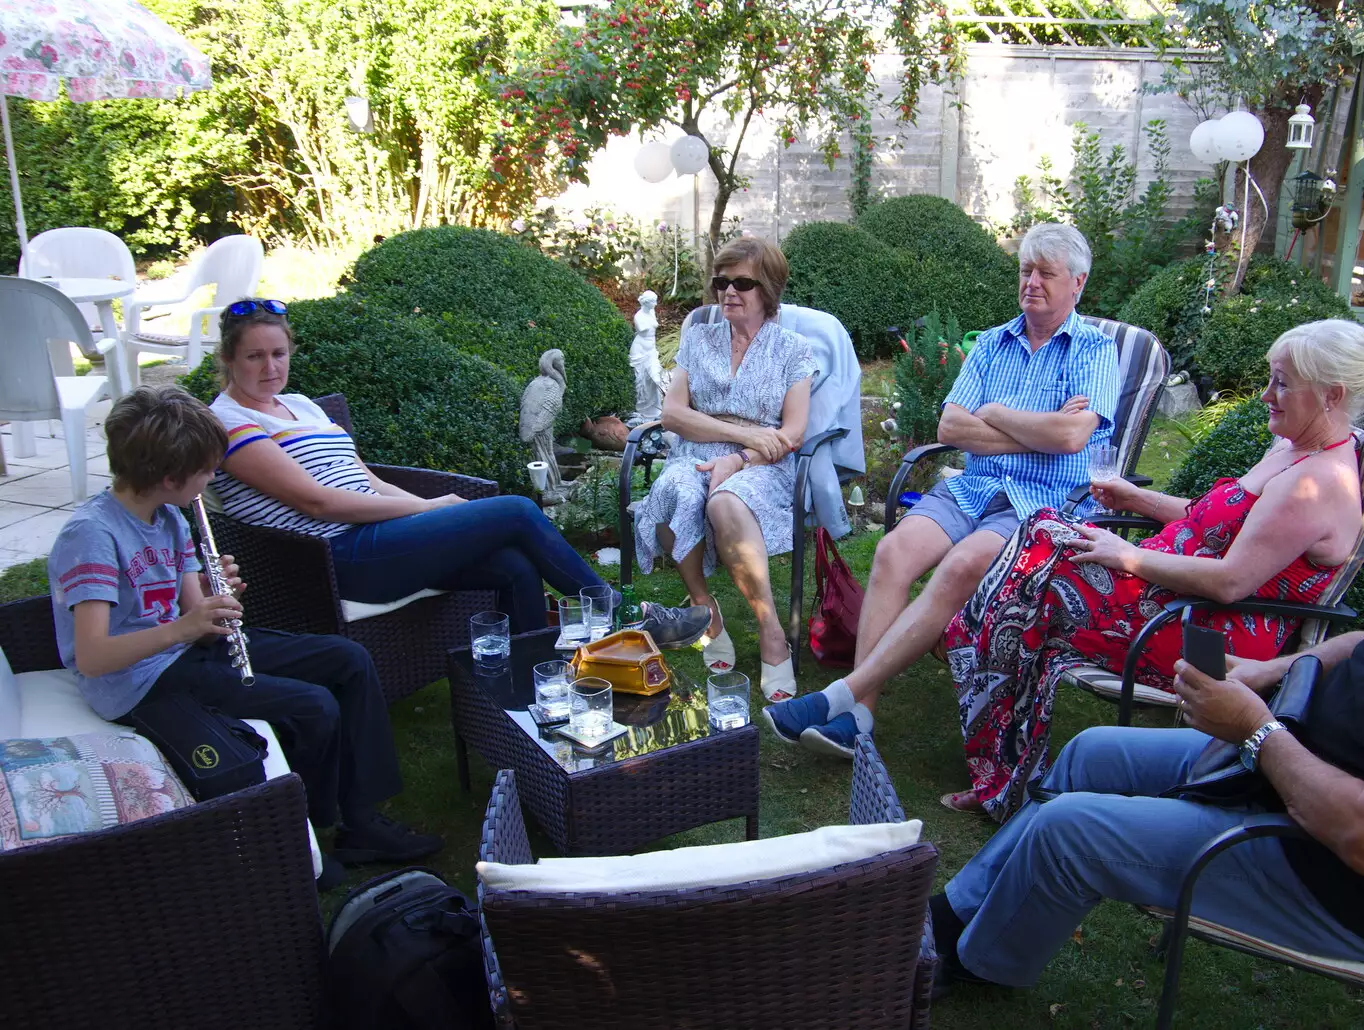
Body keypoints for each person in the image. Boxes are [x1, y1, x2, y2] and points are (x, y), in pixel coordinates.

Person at [929, 398, 1364, 996]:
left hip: (1338, 881)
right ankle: (951, 917)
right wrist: (1273, 670)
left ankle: (971, 965)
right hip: (1290, 782)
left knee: (1066, 831)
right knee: (1091, 752)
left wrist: (1255, 732)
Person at [936, 319, 1364, 819]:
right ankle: (999, 743)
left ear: (1331, 395)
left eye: (1282, 383)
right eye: (1270, 378)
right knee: (1042, 548)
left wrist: (1124, 555)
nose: (1265, 396)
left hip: (1204, 630)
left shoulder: (1317, 484)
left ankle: (971, 660)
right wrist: (1137, 497)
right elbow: (1220, 520)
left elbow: (1231, 580)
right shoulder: (1293, 446)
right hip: (1169, 594)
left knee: (1040, 571)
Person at [46, 386, 442, 890]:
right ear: (169, 477)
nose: (212, 479)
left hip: (183, 647)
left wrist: (214, 593)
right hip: (137, 681)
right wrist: (187, 626)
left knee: (348, 658)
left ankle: (361, 818)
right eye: (206, 472)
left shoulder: (168, 514)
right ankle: (313, 828)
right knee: (313, 706)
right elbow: (94, 656)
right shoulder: (93, 536)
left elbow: (192, 608)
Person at [763, 222, 1120, 756]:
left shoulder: (1094, 350)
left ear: (1078, 283)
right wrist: (1033, 427)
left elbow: (1071, 437)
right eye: (1026, 271)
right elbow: (950, 428)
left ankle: (845, 698)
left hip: (1044, 506)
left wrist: (995, 415)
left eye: (1046, 273)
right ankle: (862, 715)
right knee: (892, 552)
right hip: (974, 486)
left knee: (958, 567)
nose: (1032, 283)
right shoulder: (994, 344)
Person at [206, 299, 708, 646]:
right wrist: (427, 508)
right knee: (515, 511)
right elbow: (317, 502)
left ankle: (528, 689)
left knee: (514, 564)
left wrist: (415, 516)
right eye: (254, 356)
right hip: (333, 559)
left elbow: (366, 480)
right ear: (229, 359)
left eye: (279, 353)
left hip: (379, 537)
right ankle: (620, 615)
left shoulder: (302, 407)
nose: (270, 366)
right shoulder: (228, 422)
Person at [632, 237, 817, 703]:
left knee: (726, 501)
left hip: (764, 462)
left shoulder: (793, 349)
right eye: (721, 282)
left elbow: (791, 433)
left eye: (743, 283)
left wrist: (741, 455)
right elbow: (673, 414)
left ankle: (771, 631)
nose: (729, 291)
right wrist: (744, 433)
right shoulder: (699, 337)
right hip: (700, 450)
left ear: (769, 289)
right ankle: (704, 607)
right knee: (677, 489)